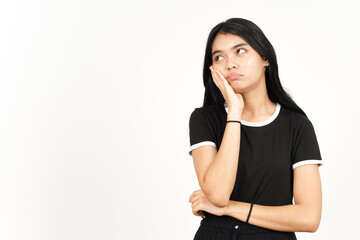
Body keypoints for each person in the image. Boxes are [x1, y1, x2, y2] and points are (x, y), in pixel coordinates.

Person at [187, 18, 323, 240]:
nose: (230, 63)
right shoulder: (204, 119)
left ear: (265, 58)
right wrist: (234, 113)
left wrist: (230, 208)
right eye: (219, 57)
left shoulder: (297, 125)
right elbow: (218, 194)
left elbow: (309, 217)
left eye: (240, 51)